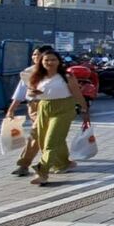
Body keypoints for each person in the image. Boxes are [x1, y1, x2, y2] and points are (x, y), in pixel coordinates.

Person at [25, 50, 91, 186]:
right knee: (45, 140)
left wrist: (84, 110)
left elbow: (77, 94)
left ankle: (42, 172)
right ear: (41, 62)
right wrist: (32, 94)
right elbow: (30, 95)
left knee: (51, 141)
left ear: (59, 61)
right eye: (46, 60)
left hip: (64, 108)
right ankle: (64, 163)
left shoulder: (67, 76)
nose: (49, 62)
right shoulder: (37, 76)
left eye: (53, 60)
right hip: (44, 108)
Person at [4, 45, 56, 177]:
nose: (35, 57)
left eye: (38, 54)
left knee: (36, 134)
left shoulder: (55, 72)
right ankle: (62, 161)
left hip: (50, 106)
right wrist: (11, 110)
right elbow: (19, 94)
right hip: (33, 107)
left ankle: (24, 165)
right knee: (48, 136)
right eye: (33, 54)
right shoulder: (28, 72)